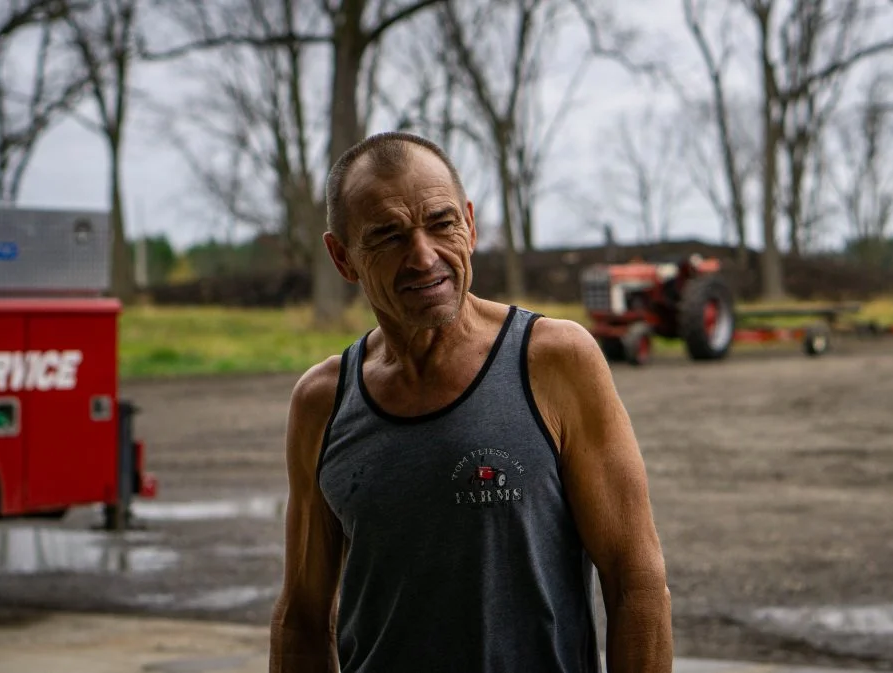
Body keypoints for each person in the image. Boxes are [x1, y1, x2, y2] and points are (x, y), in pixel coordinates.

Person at [269, 131, 672, 673]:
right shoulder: (322, 402)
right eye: (387, 236)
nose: (423, 256)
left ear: (471, 224)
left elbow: (636, 582)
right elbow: (301, 619)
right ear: (343, 258)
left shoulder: (554, 361)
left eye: (440, 223)